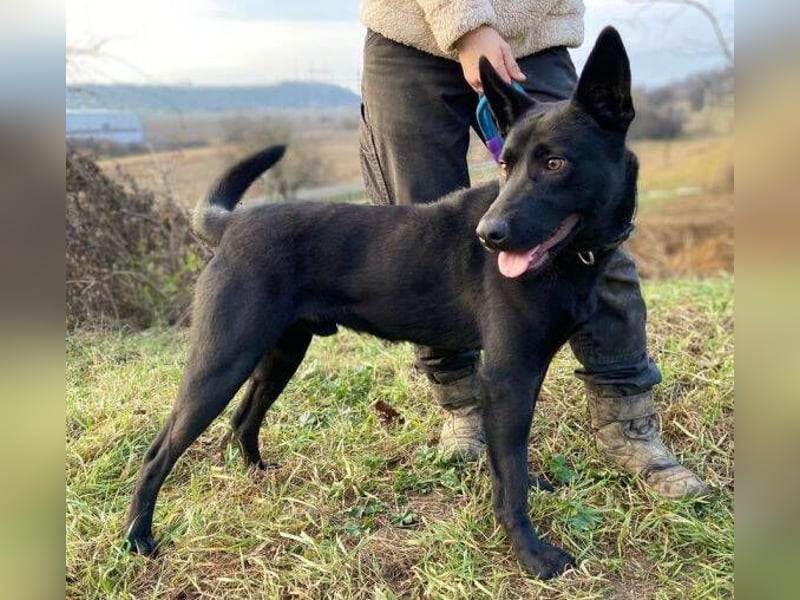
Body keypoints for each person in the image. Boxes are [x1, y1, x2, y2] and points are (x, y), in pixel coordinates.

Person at [358, 0, 707, 498]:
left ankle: (625, 418)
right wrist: (464, 24)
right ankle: (463, 405)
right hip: (406, 34)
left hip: (531, 34)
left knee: (591, 222)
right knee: (421, 243)